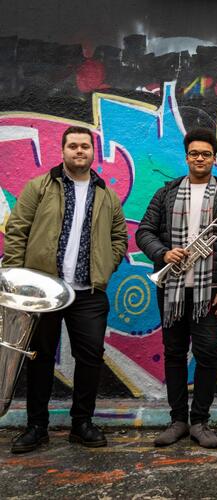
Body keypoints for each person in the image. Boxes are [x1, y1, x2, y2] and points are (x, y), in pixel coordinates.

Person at [4, 126, 128, 453]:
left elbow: (119, 238)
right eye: (72, 146)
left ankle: (82, 424)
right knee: (39, 358)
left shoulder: (105, 194)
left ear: (92, 152)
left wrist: (106, 266)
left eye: (85, 146)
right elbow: (17, 231)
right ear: (62, 151)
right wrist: (18, 282)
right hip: (43, 293)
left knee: (89, 358)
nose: (79, 151)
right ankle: (36, 427)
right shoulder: (40, 187)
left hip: (88, 293)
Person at [136, 128, 217, 449]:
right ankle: (178, 420)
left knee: (208, 354)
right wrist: (163, 253)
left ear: (215, 158)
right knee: (173, 354)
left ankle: (200, 421)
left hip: (209, 293)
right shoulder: (165, 194)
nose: (200, 158)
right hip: (171, 288)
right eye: (194, 153)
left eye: (206, 153)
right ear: (186, 157)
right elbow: (144, 231)